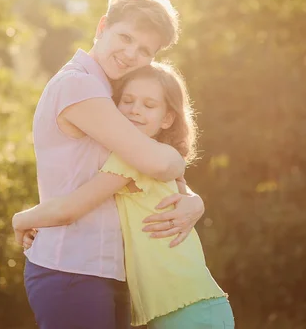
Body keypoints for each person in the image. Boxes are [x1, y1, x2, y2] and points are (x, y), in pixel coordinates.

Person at [16, 0, 206, 329]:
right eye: (125, 37)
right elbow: (158, 162)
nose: (132, 54)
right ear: (102, 26)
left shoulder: (113, 92)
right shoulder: (78, 85)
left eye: (145, 50)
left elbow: (146, 171)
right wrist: (22, 218)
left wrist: (193, 200)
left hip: (108, 272)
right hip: (71, 269)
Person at [14, 62, 235, 329]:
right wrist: (195, 200)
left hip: (191, 310)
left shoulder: (134, 160)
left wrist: (20, 219)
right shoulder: (154, 157)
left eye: (149, 105)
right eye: (127, 101)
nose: (134, 110)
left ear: (167, 119)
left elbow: (69, 210)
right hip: (185, 309)